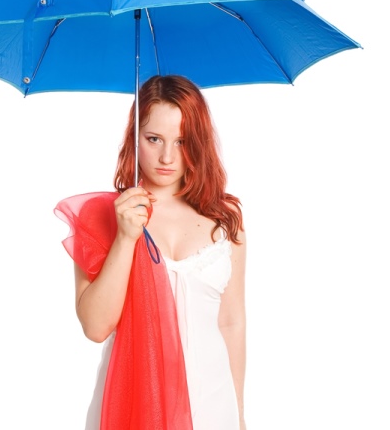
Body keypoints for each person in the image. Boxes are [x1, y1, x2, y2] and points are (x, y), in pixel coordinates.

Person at [55, 75, 246, 430]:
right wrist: (125, 238)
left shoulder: (224, 218)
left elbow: (231, 321)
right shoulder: (101, 216)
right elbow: (95, 327)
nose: (167, 157)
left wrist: (240, 413)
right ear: (134, 137)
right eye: (154, 138)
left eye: (182, 141)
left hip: (212, 405)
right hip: (135, 403)